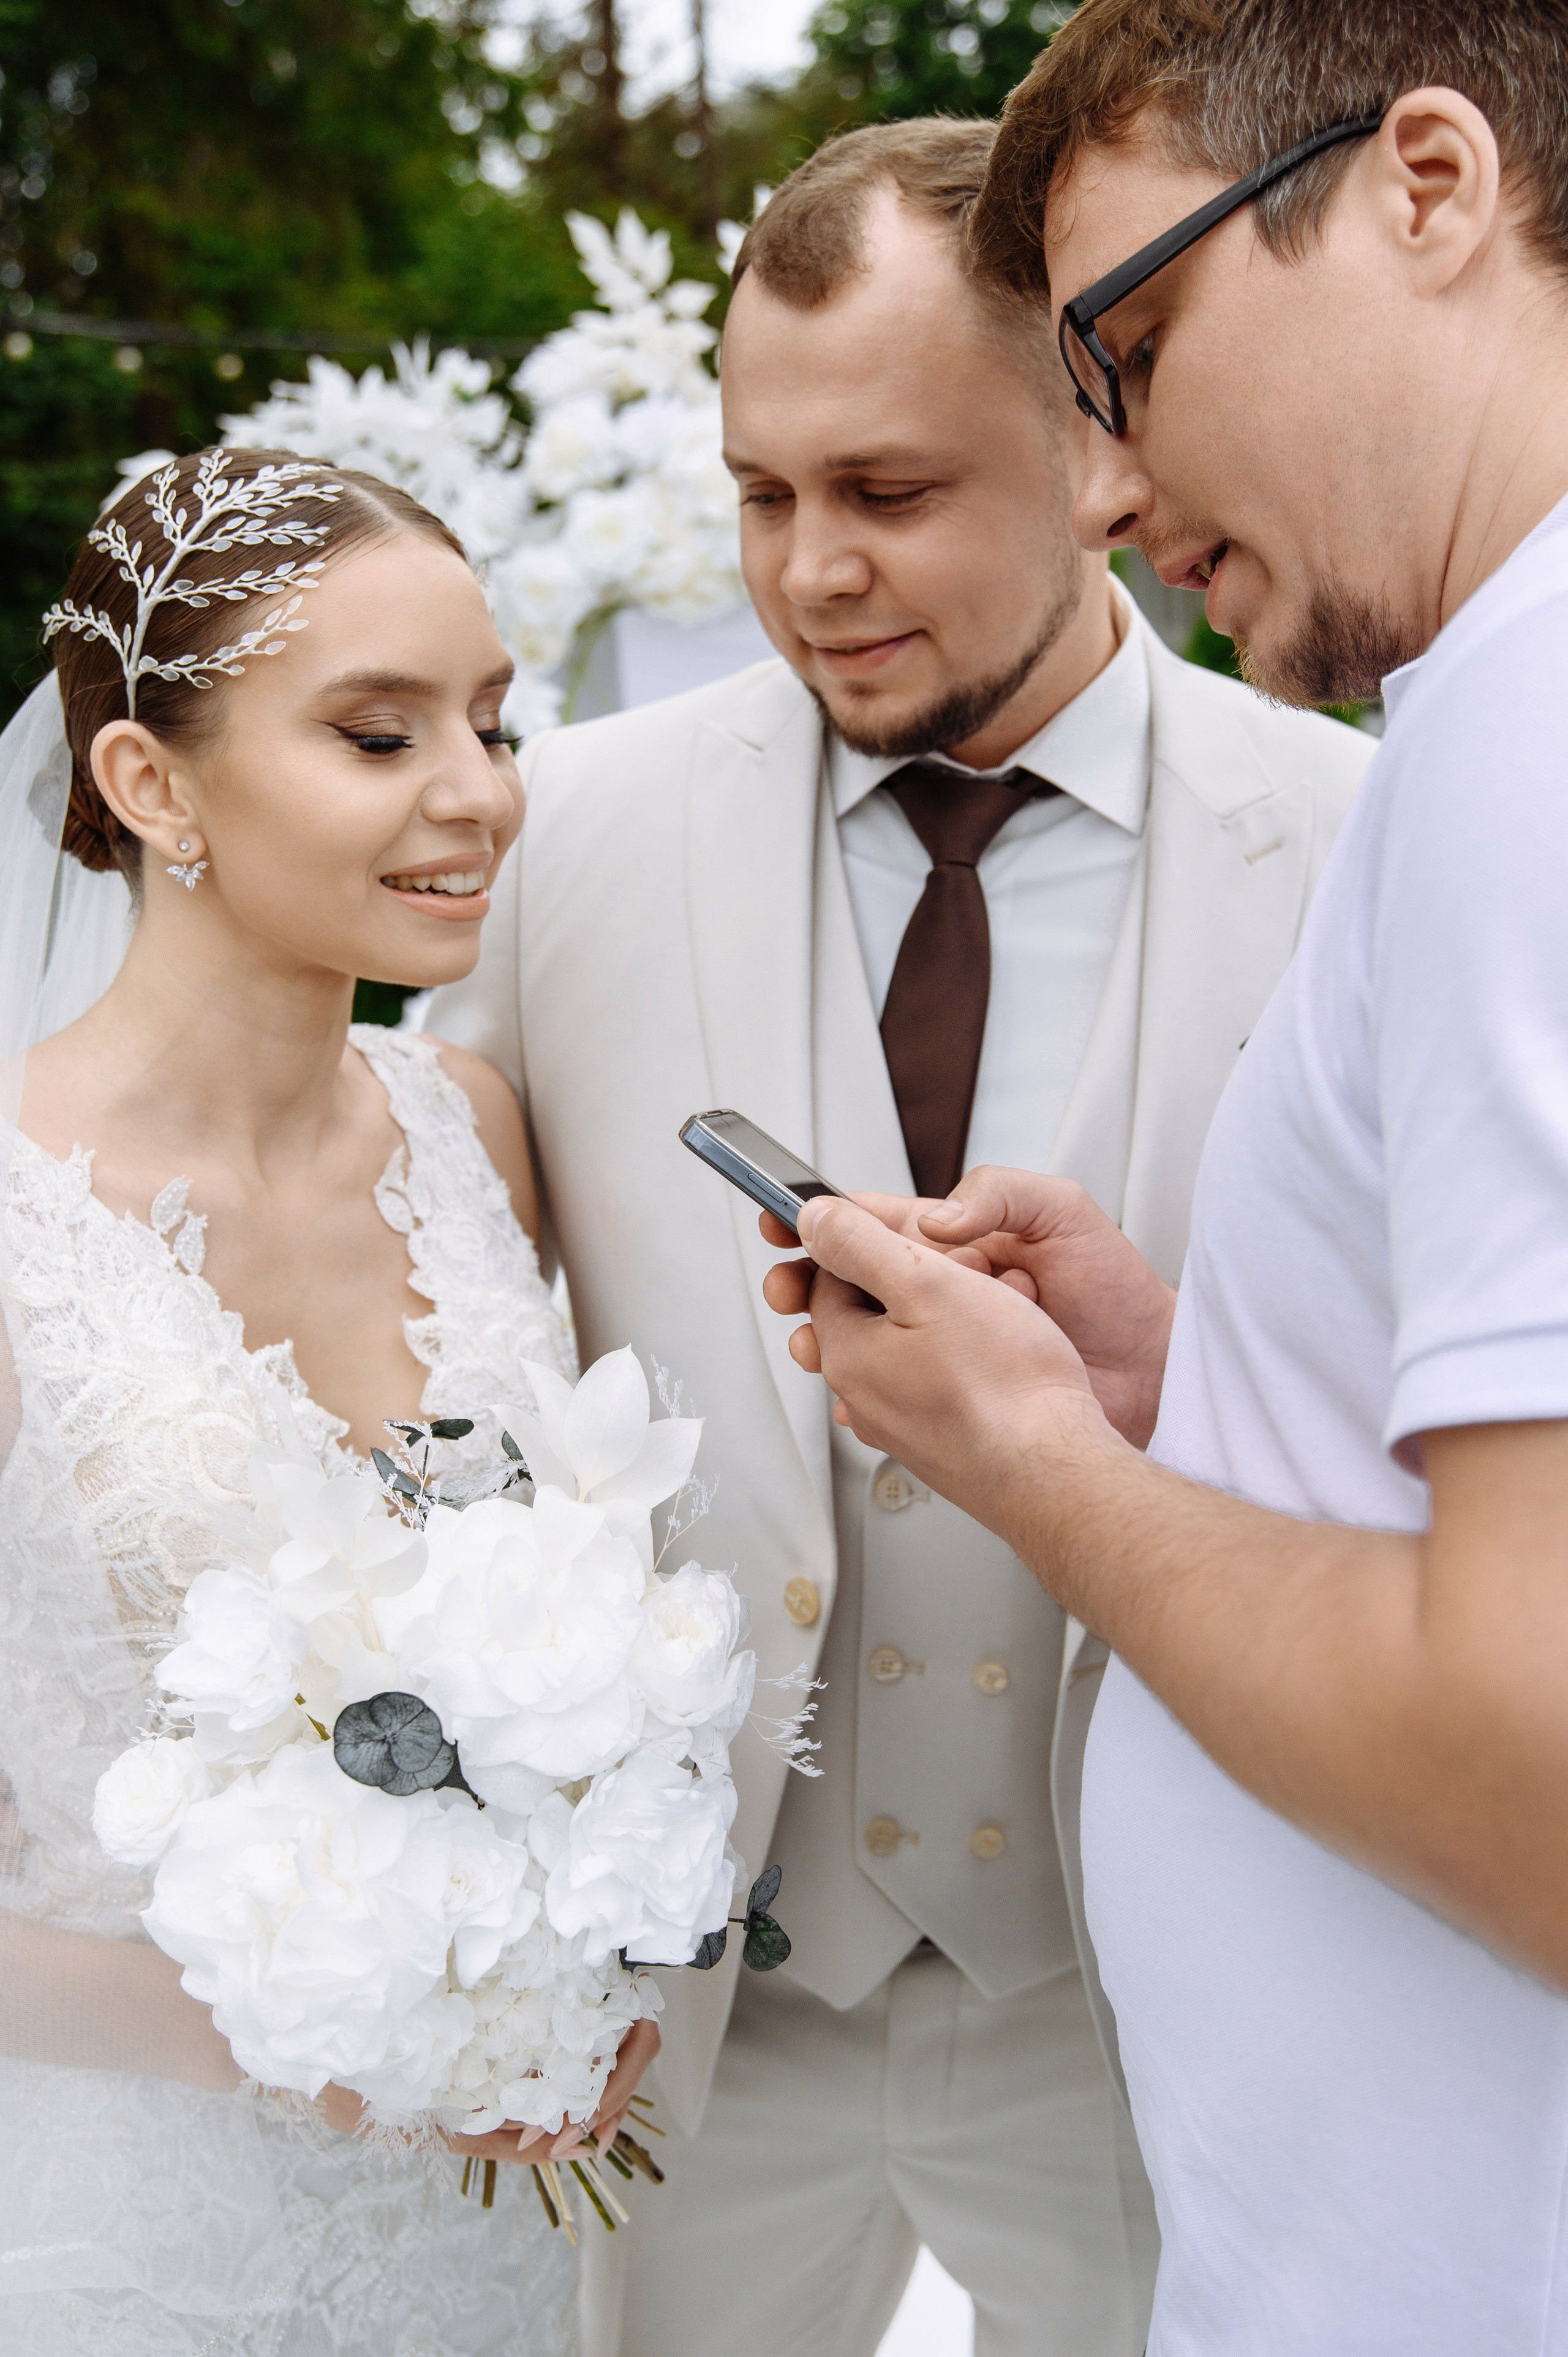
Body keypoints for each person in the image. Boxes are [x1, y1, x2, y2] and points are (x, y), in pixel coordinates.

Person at [429, 118, 1370, 2357]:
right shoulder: (560, 833)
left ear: (1095, 446)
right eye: (766, 493)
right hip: (699, 2008)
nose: (811, 569)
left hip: (1159, 1991)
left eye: (891, 492)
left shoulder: (1360, 844)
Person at [764, 4, 1568, 2350]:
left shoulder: (1520, 747)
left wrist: (1041, 1470)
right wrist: (1183, 1384)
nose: (1101, 492)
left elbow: (1534, 1768)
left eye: (1123, 349)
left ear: (1427, 187)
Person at [0, 447, 657, 2356]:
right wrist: (357, 2048)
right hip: (137, 2237)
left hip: (493, 2241)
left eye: (495, 723)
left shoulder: (474, 1136)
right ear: (149, 785)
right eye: (380, 737)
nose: (481, 793)